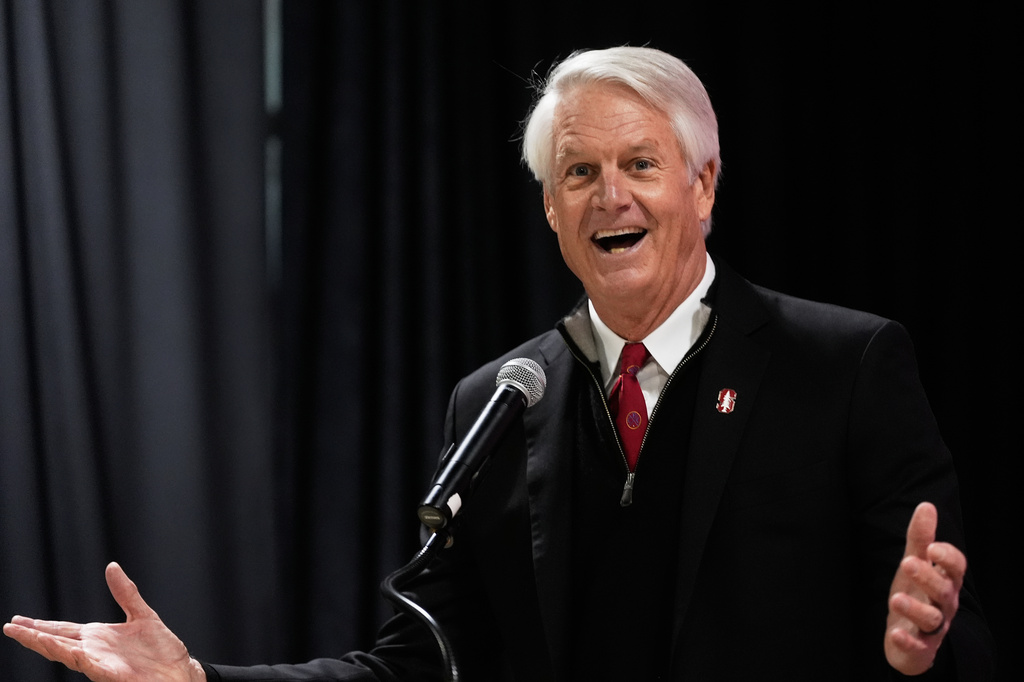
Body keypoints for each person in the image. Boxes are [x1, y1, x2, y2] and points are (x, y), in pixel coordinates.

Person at [4, 46, 993, 681]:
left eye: (640, 164)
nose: (610, 195)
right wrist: (202, 681)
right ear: (551, 208)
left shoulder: (846, 364)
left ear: (703, 185)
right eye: (578, 172)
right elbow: (414, 664)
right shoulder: (501, 402)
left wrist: (919, 655)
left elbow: (954, 636)